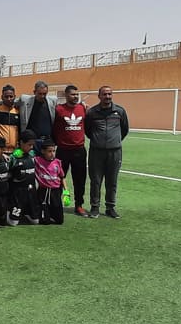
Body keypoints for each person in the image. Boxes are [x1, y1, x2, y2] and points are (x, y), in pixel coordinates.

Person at [85, 86, 128, 219]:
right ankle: (95, 207)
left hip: (115, 152)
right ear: (99, 96)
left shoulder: (119, 111)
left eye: (109, 94)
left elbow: (124, 129)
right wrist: (99, 140)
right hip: (96, 152)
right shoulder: (92, 112)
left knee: (112, 181)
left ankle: (110, 207)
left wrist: (114, 141)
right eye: (104, 94)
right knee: (95, 181)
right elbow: (88, 131)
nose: (107, 97)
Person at [53, 84, 88, 217]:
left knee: (79, 180)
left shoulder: (82, 108)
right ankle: (56, 204)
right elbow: (54, 128)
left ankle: (79, 205)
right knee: (58, 179)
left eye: (76, 94)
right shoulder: (59, 109)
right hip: (63, 150)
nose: (75, 96)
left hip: (79, 150)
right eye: (72, 94)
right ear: (66, 95)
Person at [9, 130, 39, 225]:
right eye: (29, 145)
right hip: (18, 194)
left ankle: (26, 212)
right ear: (21, 142)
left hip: (31, 192)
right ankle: (7, 211)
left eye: (32, 145)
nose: (31, 147)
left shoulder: (32, 154)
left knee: (36, 221)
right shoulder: (14, 157)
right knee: (13, 223)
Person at [34, 141, 66, 225]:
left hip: (56, 191)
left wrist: (66, 192)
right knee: (45, 221)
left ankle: (52, 214)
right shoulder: (37, 160)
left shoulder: (57, 162)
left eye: (54, 151)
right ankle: (45, 215)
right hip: (43, 191)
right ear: (43, 151)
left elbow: (62, 177)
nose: (52, 154)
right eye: (49, 151)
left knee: (60, 220)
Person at [19, 81, 58, 147]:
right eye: (40, 94)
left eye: (44, 94)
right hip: (31, 142)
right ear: (34, 92)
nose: (42, 96)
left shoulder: (53, 101)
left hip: (48, 141)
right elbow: (10, 101)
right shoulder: (25, 100)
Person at [0, 85, 21, 152]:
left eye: (11, 96)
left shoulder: (18, 112)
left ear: (15, 97)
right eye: (6, 97)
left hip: (15, 152)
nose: (9, 99)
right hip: (0, 152)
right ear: (2, 97)